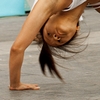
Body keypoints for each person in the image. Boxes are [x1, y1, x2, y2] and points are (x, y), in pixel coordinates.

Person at [9, 0, 100, 90]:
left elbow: (17, 48)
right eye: (60, 41)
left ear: (48, 18)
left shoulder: (50, 3)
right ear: (77, 29)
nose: (56, 37)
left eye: (49, 33)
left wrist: (15, 84)